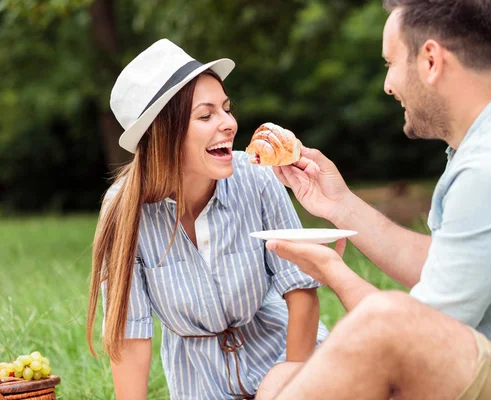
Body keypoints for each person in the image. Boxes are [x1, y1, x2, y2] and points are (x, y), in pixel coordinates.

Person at [256, 1, 491, 399]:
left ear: (430, 60)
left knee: (385, 319)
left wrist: (332, 270)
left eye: (390, 64)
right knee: (278, 380)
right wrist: (339, 204)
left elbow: (410, 336)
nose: (388, 85)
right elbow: (444, 264)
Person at [85, 39, 328, 400]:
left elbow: (301, 290)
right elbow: (130, 337)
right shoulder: (124, 213)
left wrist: (291, 385)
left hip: (289, 362)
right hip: (201, 384)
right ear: (162, 134)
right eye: (206, 115)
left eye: (227, 109)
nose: (229, 124)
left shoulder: (258, 177)